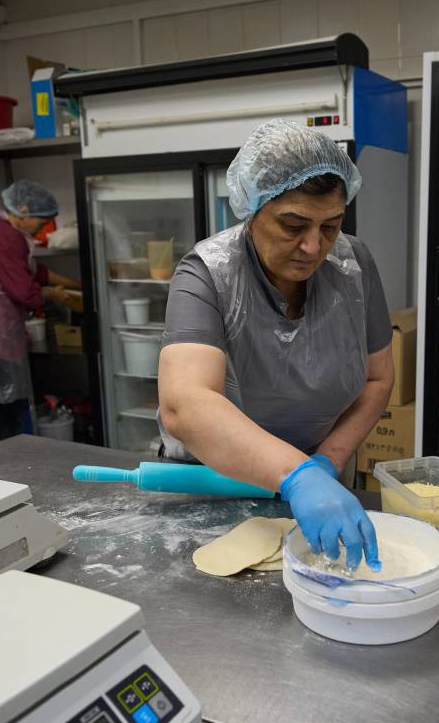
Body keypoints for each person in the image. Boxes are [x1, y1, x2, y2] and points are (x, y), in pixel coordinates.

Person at [159, 121, 394, 569]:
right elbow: (184, 404)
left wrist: (325, 464)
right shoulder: (207, 274)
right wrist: (298, 474)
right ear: (252, 211)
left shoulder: (354, 264)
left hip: (315, 485)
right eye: (293, 225)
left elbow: (378, 378)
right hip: (214, 486)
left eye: (331, 226)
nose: (313, 246)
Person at [0, 179, 82, 442]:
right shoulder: (7, 237)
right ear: (24, 211)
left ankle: (2, 468)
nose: (42, 228)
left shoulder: (9, 233)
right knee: (1, 408)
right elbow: (24, 291)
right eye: (41, 220)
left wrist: (75, 284)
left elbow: (35, 272)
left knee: (6, 403)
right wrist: (56, 295)